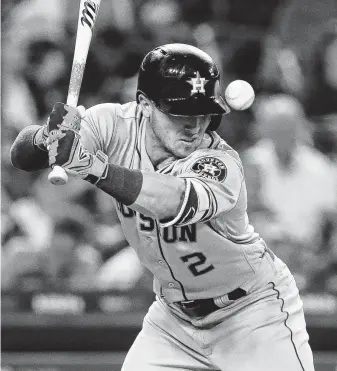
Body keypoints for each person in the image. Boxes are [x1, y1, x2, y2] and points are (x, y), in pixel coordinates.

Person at [10, 43, 315, 371]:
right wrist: (47, 137)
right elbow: (22, 159)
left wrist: (94, 169)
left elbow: (171, 202)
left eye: (201, 113)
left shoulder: (220, 162)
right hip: (174, 321)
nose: (194, 125)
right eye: (179, 112)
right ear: (144, 104)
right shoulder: (113, 125)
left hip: (253, 314)